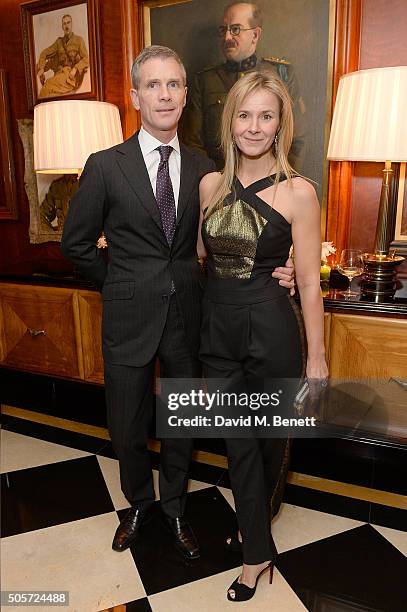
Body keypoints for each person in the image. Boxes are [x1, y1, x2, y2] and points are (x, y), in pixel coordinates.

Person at [61, 45, 295, 561]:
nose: (164, 94)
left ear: (186, 94)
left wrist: (285, 266)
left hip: (192, 313)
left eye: (174, 84)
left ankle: (173, 508)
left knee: (182, 421)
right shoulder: (104, 166)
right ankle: (138, 505)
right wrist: (118, 280)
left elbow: (236, 237)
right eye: (153, 85)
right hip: (128, 314)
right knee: (126, 423)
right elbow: (75, 243)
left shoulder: (206, 168)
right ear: (136, 95)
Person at [198, 70, 328, 601]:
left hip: (273, 330)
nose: (254, 126)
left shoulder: (299, 191)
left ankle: (255, 532)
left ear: (280, 126)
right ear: (230, 121)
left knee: (270, 444)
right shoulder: (210, 185)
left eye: (266, 116)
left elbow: (311, 287)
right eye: (244, 115)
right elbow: (203, 257)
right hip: (217, 331)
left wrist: (316, 359)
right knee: (238, 443)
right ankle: (257, 550)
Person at [182, 1, 306, 171]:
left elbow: (296, 140)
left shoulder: (281, 74)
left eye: (235, 29)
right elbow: (193, 143)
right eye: (223, 30)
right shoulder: (205, 80)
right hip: (218, 182)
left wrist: (282, 181)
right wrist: (213, 182)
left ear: (255, 35)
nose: (227, 37)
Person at [36, 14, 89, 99]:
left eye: (68, 23)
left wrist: (75, 68)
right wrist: (42, 68)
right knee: (48, 92)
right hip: (59, 75)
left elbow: (86, 59)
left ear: (72, 24)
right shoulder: (59, 42)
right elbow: (44, 53)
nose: (66, 26)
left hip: (70, 77)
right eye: (64, 24)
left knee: (48, 86)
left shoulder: (79, 40)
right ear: (62, 26)